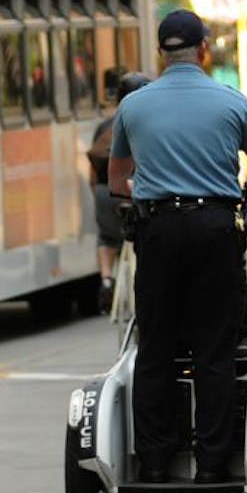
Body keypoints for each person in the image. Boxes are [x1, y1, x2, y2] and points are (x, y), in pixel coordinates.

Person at [108, 10, 247, 484]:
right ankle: (212, 464)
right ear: (204, 50)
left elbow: (117, 180)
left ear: (160, 55)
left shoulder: (133, 106)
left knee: (157, 345)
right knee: (215, 346)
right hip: (214, 229)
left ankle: (153, 460)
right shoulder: (231, 101)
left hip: (159, 231)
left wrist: (148, 187)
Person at [87, 72, 151, 313]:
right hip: (136, 188)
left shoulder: (104, 126)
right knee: (146, 233)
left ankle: (106, 278)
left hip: (105, 192)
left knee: (106, 237)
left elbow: (93, 172)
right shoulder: (146, 121)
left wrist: (98, 193)